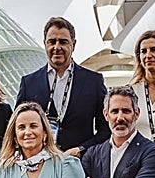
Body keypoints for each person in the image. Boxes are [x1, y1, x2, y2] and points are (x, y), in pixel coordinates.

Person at [15, 17, 108, 157]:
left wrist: (82, 149)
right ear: (44, 44)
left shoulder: (93, 82)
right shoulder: (29, 83)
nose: (57, 47)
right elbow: (17, 126)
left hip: (80, 162)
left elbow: (106, 129)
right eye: (52, 42)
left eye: (63, 42)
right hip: (40, 162)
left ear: (73, 45)